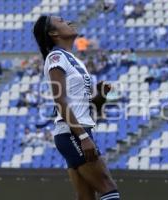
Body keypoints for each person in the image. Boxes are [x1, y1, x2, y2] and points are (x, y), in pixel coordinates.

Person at [33, 16, 120, 200]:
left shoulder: (74, 60)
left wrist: (101, 96)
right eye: (62, 21)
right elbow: (61, 101)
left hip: (75, 131)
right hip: (73, 133)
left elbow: (87, 108)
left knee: (85, 197)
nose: (69, 22)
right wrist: (82, 136)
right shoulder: (56, 57)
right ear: (54, 33)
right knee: (108, 187)